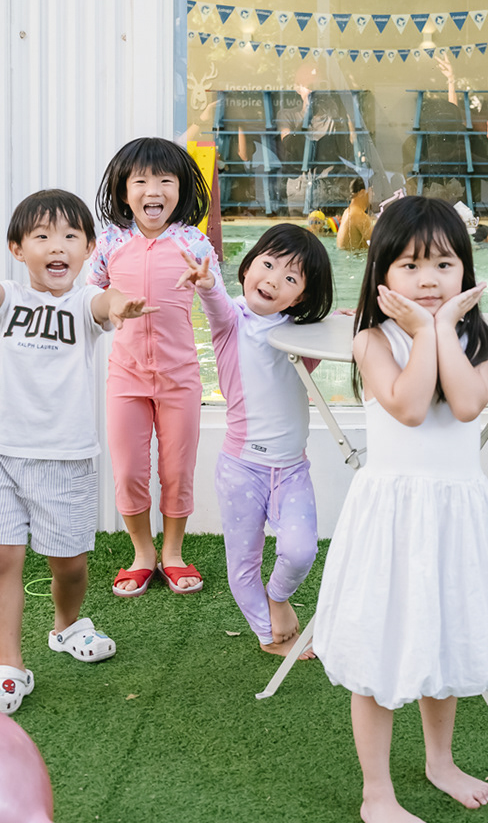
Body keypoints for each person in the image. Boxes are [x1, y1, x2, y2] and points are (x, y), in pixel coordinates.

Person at [312, 197, 488, 822]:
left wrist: (442, 330)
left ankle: (440, 761)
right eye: (410, 265)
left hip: (454, 515)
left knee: (443, 638)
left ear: (465, 271)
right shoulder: (372, 340)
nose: (429, 280)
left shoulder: (474, 339)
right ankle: (376, 793)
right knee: (381, 648)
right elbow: (407, 405)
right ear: (381, 275)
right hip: (393, 518)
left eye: (444, 264)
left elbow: (466, 404)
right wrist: (427, 333)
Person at [0, 189, 151, 715]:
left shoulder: (84, 303)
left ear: (88, 250)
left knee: (70, 565)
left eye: (70, 237)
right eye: (41, 236)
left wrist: (121, 304)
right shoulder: (11, 297)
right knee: (2, 559)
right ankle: (10, 668)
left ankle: (66, 626)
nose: (57, 246)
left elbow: (106, 302)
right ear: (18, 249)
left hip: (65, 457)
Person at [179, 222, 334, 656]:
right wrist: (207, 284)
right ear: (247, 267)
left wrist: (340, 324)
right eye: (267, 264)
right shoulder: (233, 320)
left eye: (291, 277)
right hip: (241, 469)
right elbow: (216, 304)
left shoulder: (299, 333)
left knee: (300, 551)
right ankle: (269, 636)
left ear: (300, 296)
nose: (273, 280)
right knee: (243, 564)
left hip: (291, 469)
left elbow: (329, 336)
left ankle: (278, 598)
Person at [87, 137, 219, 596]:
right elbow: (90, 300)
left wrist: (208, 283)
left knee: (178, 470)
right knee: (128, 470)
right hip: (126, 377)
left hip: (180, 377)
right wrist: (110, 306)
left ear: (181, 189)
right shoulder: (111, 242)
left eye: (165, 180)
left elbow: (221, 310)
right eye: (140, 181)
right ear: (124, 192)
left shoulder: (192, 242)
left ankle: (173, 554)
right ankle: (143, 553)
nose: (153, 190)